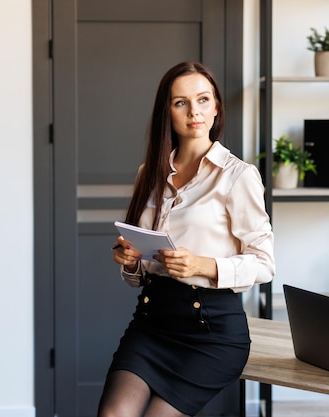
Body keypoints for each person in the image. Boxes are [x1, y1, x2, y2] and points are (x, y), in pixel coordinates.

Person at [98, 61, 275, 417]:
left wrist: (202, 265)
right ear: (167, 112)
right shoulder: (149, 172)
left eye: (203, 99)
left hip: (211, 331)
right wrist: (130, 260)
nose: (194, 111)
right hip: (151, 322)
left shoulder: (238, 176)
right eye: (181, 102)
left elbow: (264, 263)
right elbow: (140, 270)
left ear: (216, 107)